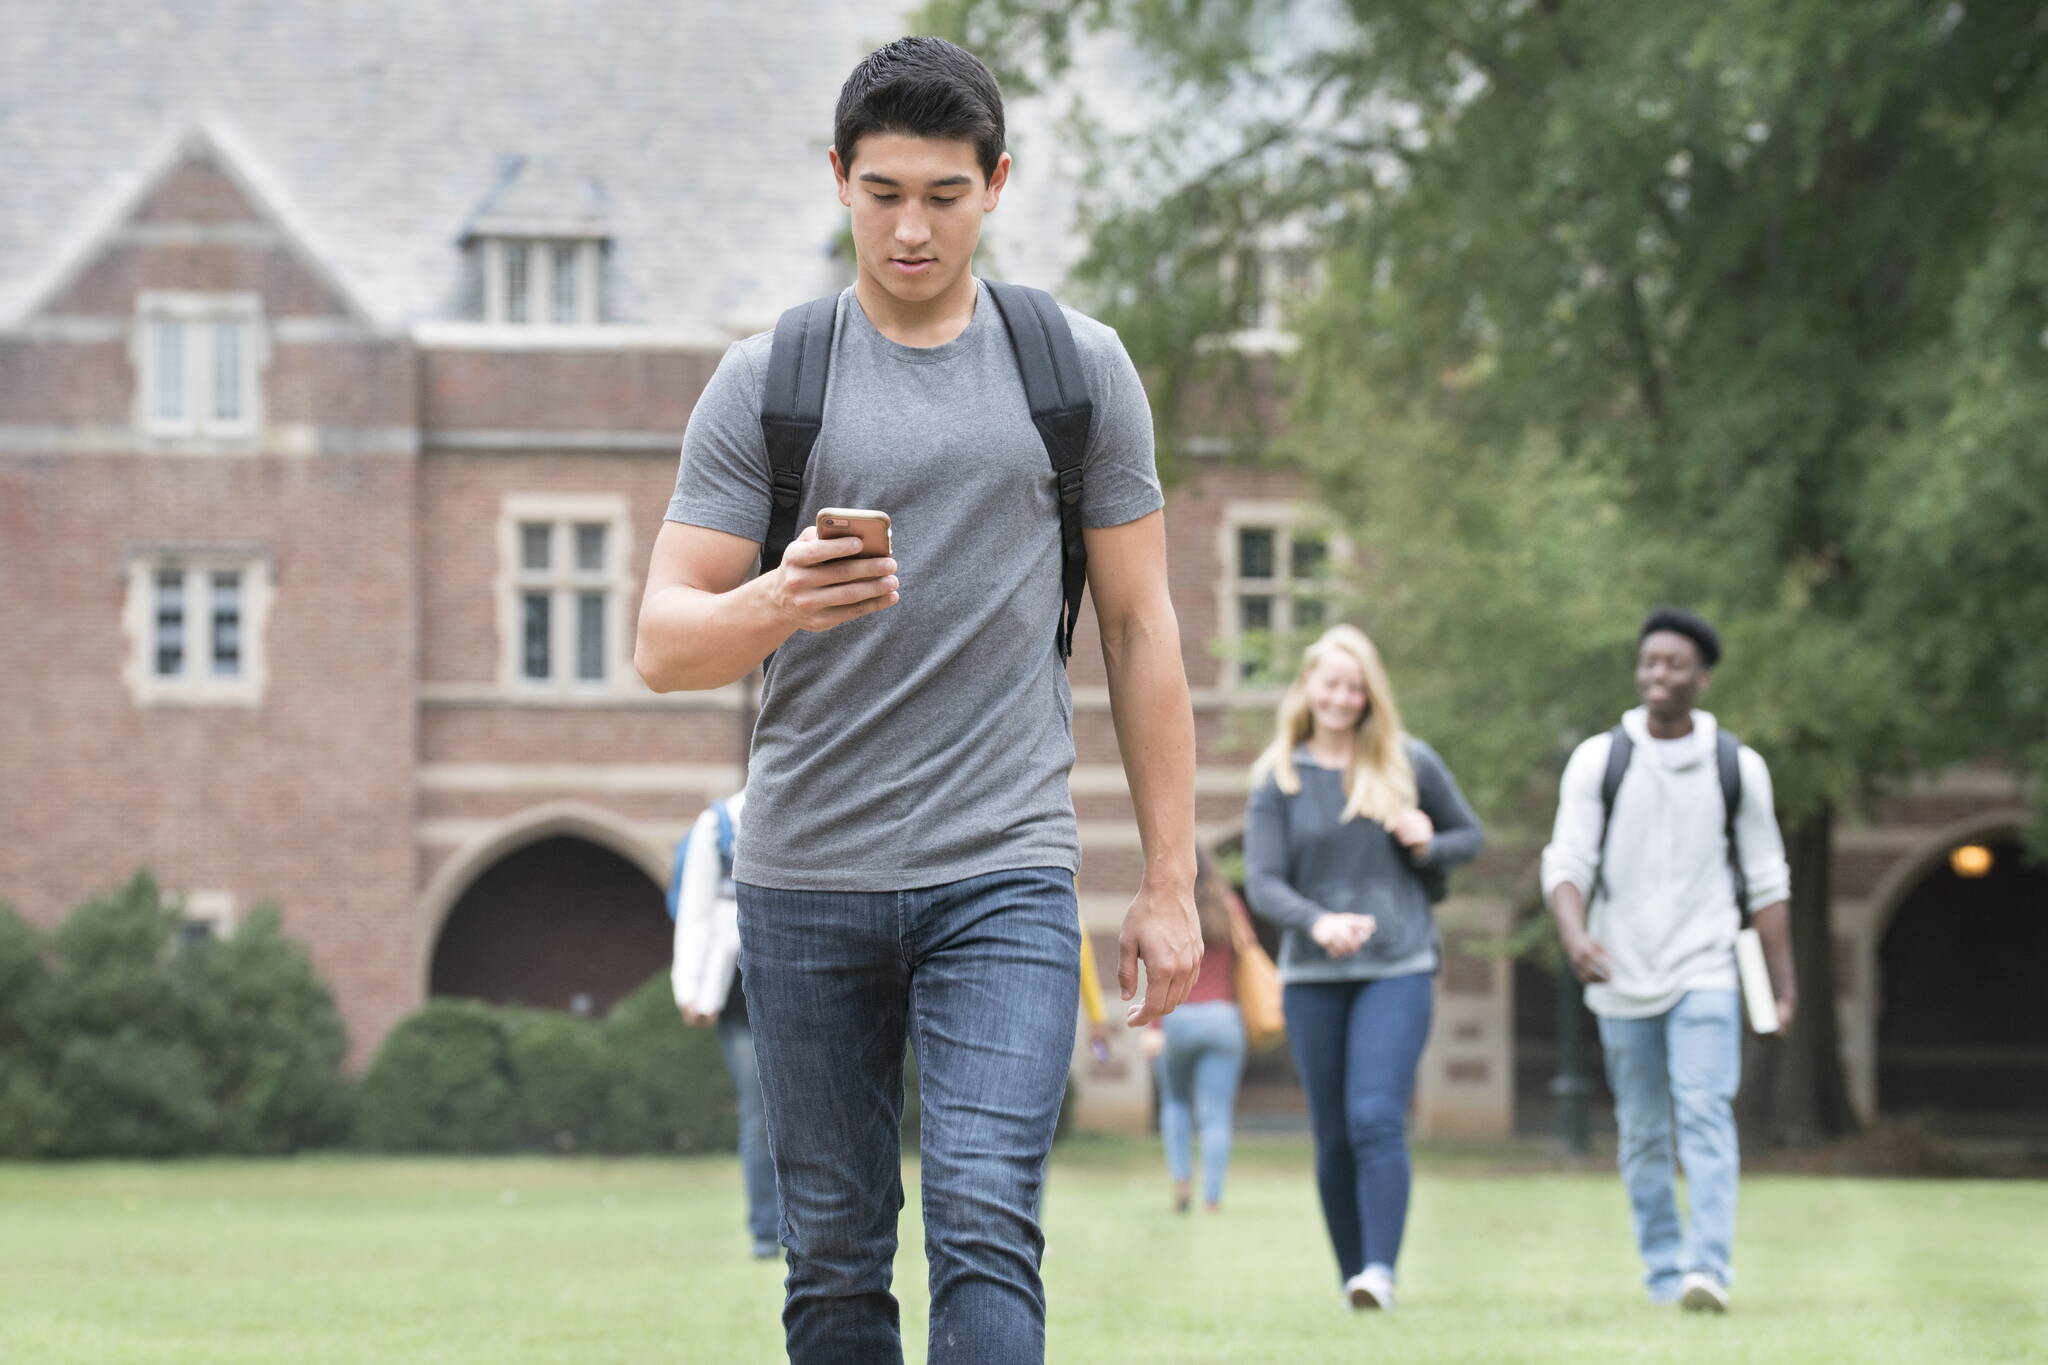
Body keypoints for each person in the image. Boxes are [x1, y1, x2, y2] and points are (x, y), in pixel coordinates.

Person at [634, 36, 1200, 1365]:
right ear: (838, 178)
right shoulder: (769, 382)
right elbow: (665, 644)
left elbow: (1139, 624)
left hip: (1003, 870)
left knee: (988, 1218)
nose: (910, 226)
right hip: (804, 877)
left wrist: (1171, 879)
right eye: (883, 191)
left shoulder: (1076, 372)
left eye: (944, 195)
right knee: (833, 1253)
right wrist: (780, 598)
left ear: (996, 184)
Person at [1541, 607, 1795, 1314]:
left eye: (1674, 663)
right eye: (1649, 661)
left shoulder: (1737, 766)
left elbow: (1768, 878)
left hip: (1707, 965)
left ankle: (1706, 1269)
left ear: (1701, 677)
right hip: (1622, 970)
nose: (1658, 673)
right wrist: (1574, 935)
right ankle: (1662, 1270)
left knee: (1706, 1111)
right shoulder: (1601, 758)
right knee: (1645, 1129)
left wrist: (1783, 983)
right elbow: (1567, 861)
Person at [1242, 624, 1484, 1312]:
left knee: (1376, 1114)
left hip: (1398, 963)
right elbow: (1262, 882)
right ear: (1309, 687)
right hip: (1314, 974)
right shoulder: (1278, 776)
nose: (1343, 697)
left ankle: (1379, 1270)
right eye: (1332, 683)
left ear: (1370, 693)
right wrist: (1317, 920)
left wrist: (1431, 838)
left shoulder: (1408, 762)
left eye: (1356, 686)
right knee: (1334, 1132)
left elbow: (1471, 836)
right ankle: (1356, 1277)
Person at [670, 787, 781, 1261]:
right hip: (738, 997)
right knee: (761, 1117)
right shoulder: (718, 824)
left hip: (799, 982)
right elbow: (694, 914)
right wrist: (688, 990)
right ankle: (765, 1231)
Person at [1140, 846, 1249, 1213]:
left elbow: (1159, 969)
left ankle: (1182, 1182)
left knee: (1176, 1103)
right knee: (1216, 1114)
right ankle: (1213, 1198)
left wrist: (1154, 1024)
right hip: (1223, 1019)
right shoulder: (1230, 908)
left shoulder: (1172, 910)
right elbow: (1246, 958)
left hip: (1179, 1018)